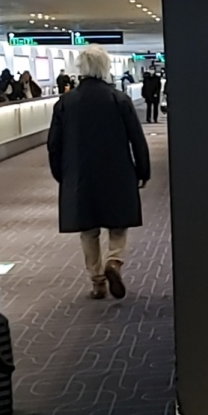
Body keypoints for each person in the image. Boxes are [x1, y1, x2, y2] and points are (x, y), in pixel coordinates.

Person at [47, 43, 150, 300]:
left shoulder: (66, 102)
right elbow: (136, 138)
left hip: (80, 173)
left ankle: (97, 281)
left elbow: (54, 144)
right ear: (105, 67)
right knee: (118, 223)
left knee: (88, 229)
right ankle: (114, 261)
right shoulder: (119, 99)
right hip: (117, 170)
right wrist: (142, 170)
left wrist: (61, 174)